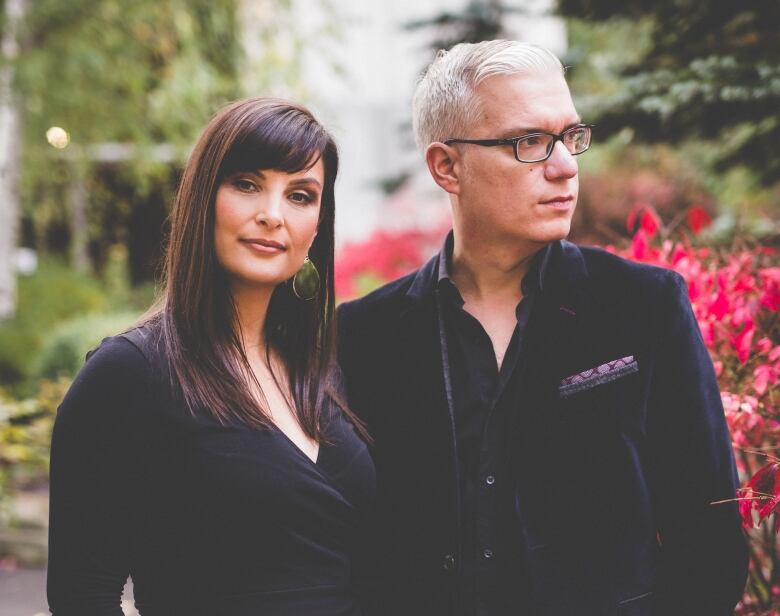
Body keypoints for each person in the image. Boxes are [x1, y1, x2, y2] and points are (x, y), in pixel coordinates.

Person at [337, 40, 747, 615]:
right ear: (446, 167)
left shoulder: (644, 307)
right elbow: (353, 549)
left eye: (571, 136)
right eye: (528, 142)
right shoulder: (362, 337)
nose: (565, 166)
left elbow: (709, 537)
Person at [47, 97, 375, 615]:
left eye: (300, 195)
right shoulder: (129, 374)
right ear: (204, 199)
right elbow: (82, 595)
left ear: (317, 226)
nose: (272, 215)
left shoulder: (321, 370)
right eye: (247, 184)